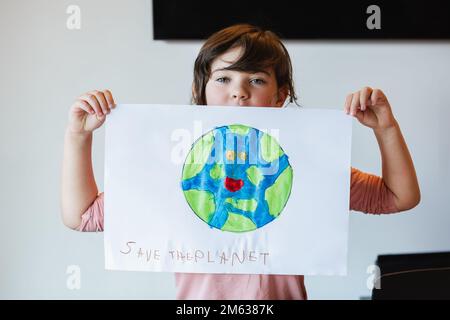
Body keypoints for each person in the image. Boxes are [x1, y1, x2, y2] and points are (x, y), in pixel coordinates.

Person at [61, 24, 420, 299]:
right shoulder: (175, 168)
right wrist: (80, 136)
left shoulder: (306, 166)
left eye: (257, 79)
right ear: (199, 91)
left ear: (280, 96)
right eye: (223, 78)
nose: (239, 90)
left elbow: (397, 197)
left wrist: (385, 128)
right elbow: (82, 216)